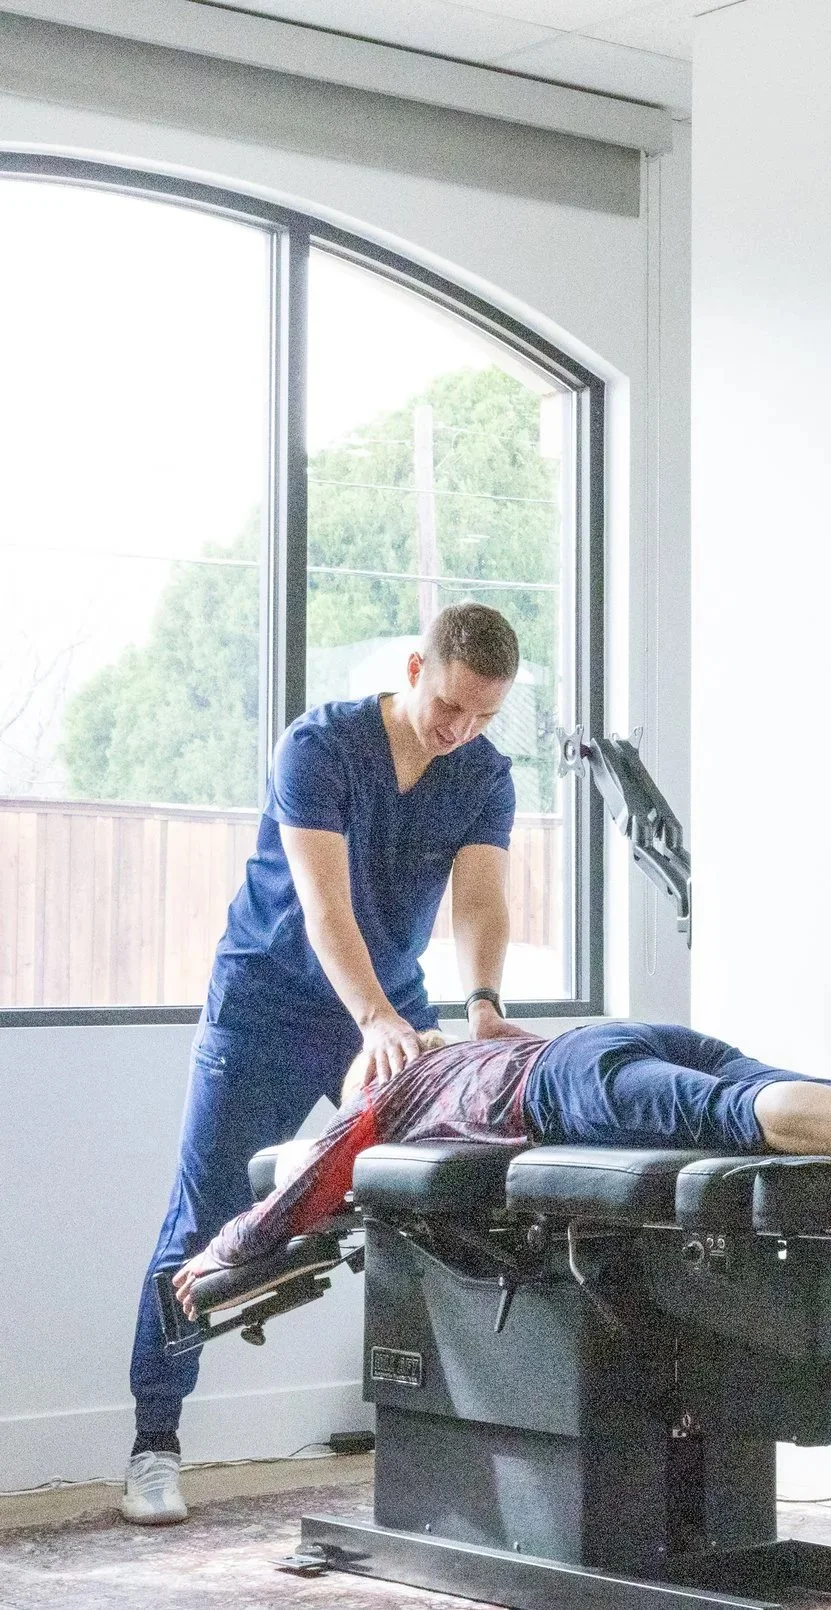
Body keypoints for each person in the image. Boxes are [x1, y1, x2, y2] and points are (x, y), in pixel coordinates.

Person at [125, 603, 531, 1527]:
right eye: (451, 706)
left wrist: (482, 1004)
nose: (461, 729)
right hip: (267, 1005)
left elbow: (479, 898)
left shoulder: (483, 774)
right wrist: (377, 1020)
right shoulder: (320, 747)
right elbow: (324, 905)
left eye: (484, 716)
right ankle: (153, 1446)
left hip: (390, 1007)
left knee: (442, 1207)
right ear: (416, 668)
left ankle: (452, 1435)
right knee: (203, 1216)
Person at [170, 1021, 831, 1330]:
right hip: (627, 1032)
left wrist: (225, 1250)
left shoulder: (390, 1088)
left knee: (731, 1120)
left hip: (560, 1082)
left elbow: (306, 1185)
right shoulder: (475, 1043)